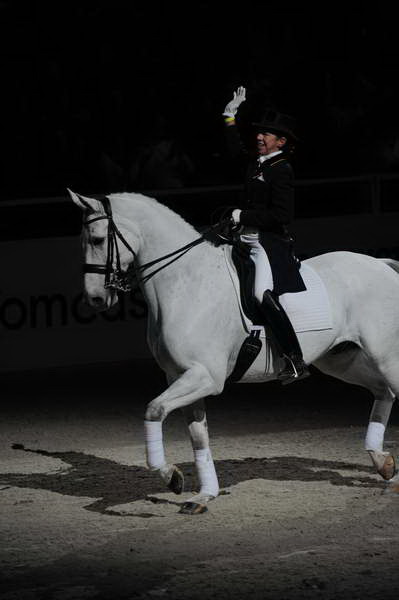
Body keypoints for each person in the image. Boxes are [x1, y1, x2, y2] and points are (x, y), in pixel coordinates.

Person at [222, 86, 309, 384]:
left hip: (266, 244)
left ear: (281, 141)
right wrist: (229, 115)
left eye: (267, 134)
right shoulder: (258, 162)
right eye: (259, 132)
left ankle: (295, 360)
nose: (259, 136)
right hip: (242, 239)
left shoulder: (281, 169)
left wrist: (242, 216)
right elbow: (234, 150)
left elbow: (282, 216)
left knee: (261, 294)